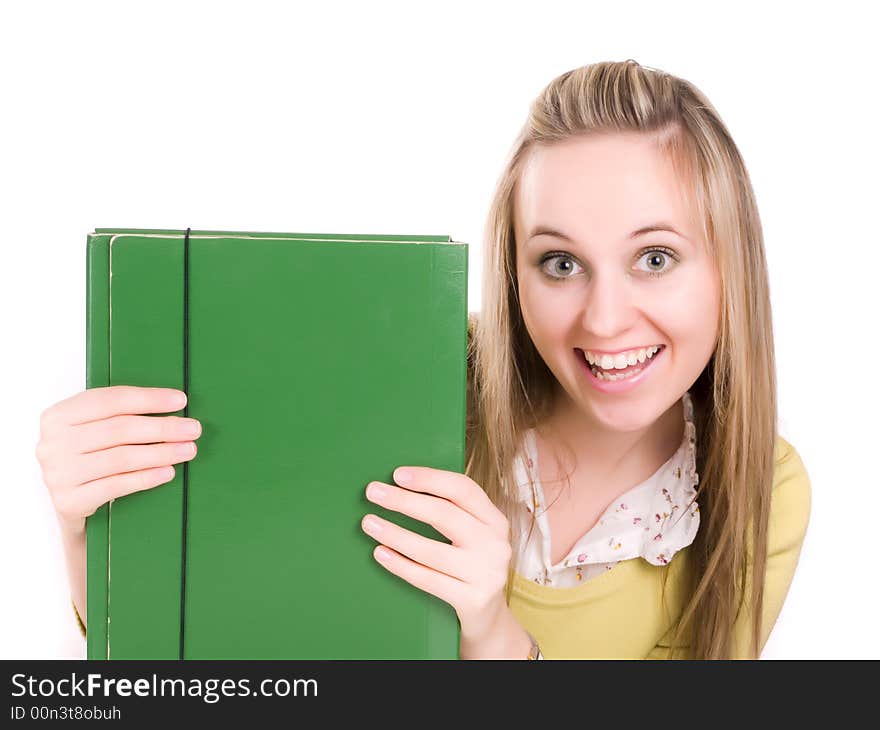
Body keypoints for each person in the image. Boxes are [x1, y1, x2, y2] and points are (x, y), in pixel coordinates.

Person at [36, 59, 810, 660]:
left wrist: (491, 636)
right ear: (514, 273)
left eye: (654, 259)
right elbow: (207, 652)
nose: (605, 320)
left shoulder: (761, 491)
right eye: (560, 264)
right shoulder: (413, 371)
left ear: (728, 266)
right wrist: (93, 530)